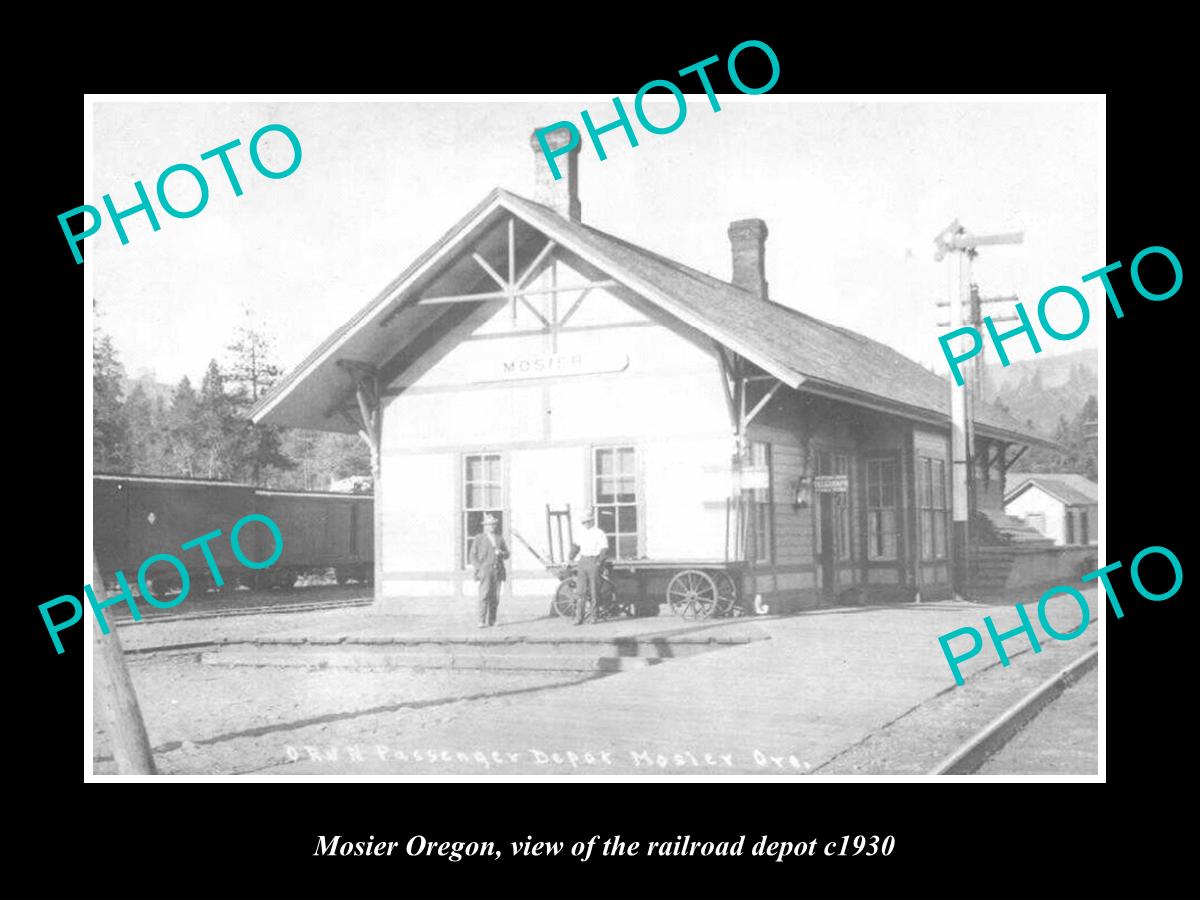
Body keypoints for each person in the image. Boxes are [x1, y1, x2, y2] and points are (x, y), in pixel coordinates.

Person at [470, 513, 509, 628]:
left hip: (497, 570)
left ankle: (492, 620)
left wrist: (502, 553)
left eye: (493, 524)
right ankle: (481, 621)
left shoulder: (499, 538)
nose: (492, 526)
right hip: (485, 570)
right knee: (484, 595)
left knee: (495, 596)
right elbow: (472, 556)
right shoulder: (479, 538)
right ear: (485, 526)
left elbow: (507, 554)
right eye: (489, 525)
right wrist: (479, 568)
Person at [573, 510, 610, 625]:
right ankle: (579, 618)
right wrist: (569, 558)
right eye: (584, 522)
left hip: (593, 561)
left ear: (592, 521)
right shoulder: (581, 533)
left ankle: (594, 617)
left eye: (588, 521)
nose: (586, 524)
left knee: (594, 591)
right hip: (583, 561)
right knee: (580, 591)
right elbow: (576, 547)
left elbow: (604, 549)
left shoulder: (599, 533)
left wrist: (599, 562)